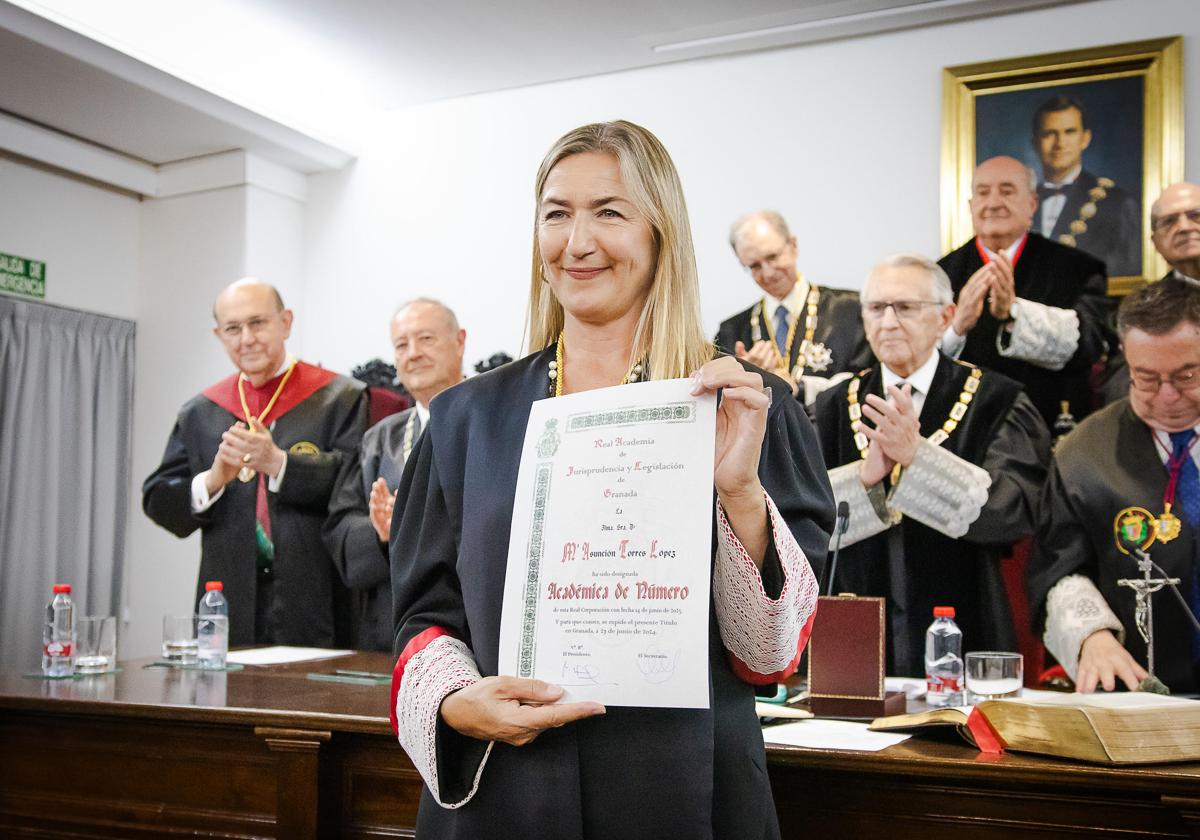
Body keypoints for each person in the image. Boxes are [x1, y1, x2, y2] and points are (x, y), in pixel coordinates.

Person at [388, 120, 832, 838]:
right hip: (507, 789)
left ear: (660, 231)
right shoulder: (465, 419)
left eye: (610, 213)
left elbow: (772, 654)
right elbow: (423, 614)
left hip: (685, 791)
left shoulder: (746, 405)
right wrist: (456, 701)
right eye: (557, 213)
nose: (578, 241)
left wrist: (737, 494)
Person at [813, 254, 1049, 676]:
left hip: (967, 616)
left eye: (905, 308)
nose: (887, 322)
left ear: (946, 316)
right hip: (858, 634)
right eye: (876, 308)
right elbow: (803, 525)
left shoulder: (997, 400)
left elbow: (1014, 512)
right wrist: (866, 479)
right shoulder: (833, 405)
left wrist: (917, 457)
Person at [143, 279, 368, 647]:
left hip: (316, 597)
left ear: (286, 322)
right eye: (233, 328)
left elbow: (354, 486)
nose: (246, 338)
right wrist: (213, 481)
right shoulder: (201, 412)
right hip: (227, 598)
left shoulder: (340, 399)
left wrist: (279, 464)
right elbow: (157, 499)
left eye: (258, 323)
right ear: (219, 335)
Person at [1030, 277, 1200, 694]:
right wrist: (1092, 637)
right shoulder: (1084, 452)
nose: (1166, 396)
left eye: (1187, 376)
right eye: (1145, 377)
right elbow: (1058, 568)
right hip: (1141, 693)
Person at [324, 298, 466, 651]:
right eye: (401, 345)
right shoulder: (379, 439)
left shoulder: (494, 421)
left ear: (459, 341)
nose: (413, 353)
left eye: (426, 339)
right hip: (392, 631)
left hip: (471, 623)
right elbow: (341, 528)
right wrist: (381, 533)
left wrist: (415, 527)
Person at [938, 155, 1110, 430]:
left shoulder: (1079, 269)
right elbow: (918, 359)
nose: (993, 203)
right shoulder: (940, 275)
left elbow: (1090, 344)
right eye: (983, 193)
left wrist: (1013, 314)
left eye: (1007, 191)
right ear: (971, 206)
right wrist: (957, 327)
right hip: (963, 428)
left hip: (1048, 422)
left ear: (1031, 204)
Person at [715, 210, 871, 404]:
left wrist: (799, 386)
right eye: (755, 266)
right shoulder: (732, 331)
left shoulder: (850, 309)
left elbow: (871, 381)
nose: (768, 273)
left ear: (793, 246)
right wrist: (747, 376)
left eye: (773, 257)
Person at [1031, 95, 1142, 277]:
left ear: (1085, 138)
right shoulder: (1020, 205)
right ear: (1035, 142)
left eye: (1069, 132)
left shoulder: (1117, 204)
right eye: (1049, 133)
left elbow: (1129, 276)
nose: (1059, 143)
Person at [1151, 182, 1200, 284]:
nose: (1184, 227)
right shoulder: (1150, 299)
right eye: (1169, 221)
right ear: (1155, 243)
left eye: (1196, 215)